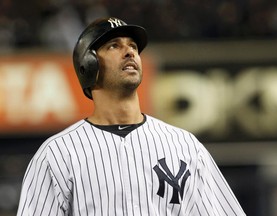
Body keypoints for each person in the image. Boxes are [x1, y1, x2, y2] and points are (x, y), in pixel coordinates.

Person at [17, 17, 246, 216]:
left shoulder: (185, 145)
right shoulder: (58, 154)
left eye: (133, 46)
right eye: (114, 46)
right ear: (89, 65)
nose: (130, 52)